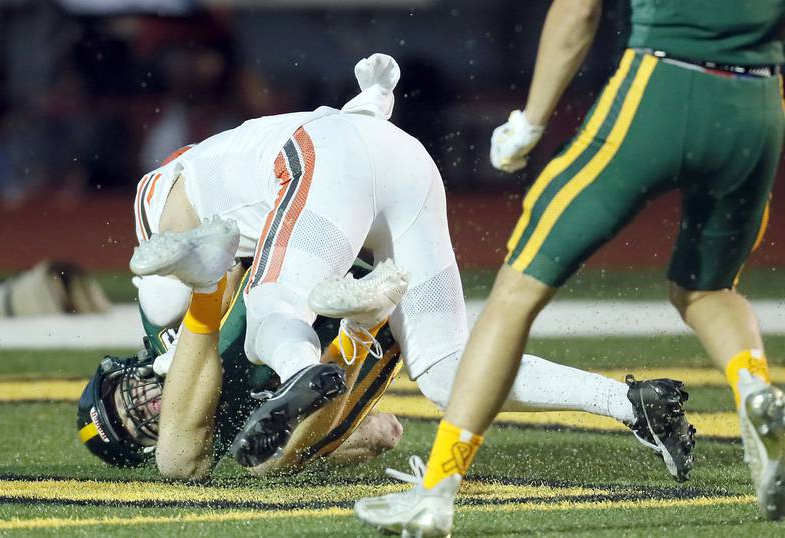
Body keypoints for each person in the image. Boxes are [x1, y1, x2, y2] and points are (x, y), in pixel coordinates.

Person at [128, 53, 693, 481]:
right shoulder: (218, 159)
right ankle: (627, 403)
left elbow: (178, 271)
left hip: (321, 160)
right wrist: (374, 99)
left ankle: (303, 368)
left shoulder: (157, 202)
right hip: (401, 161)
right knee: (448, 369)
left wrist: (173, 349)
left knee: (273, 301)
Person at [353, 1, 785, 534]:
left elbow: (579, 11)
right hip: (757, 103)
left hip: (663, 85)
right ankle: (754, 389)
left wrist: (530, 122)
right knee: (710, 289)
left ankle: (437, 492)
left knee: (515, 293)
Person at [76, 259, 405, 476]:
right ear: (150, 448)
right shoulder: (220, 440)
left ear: (125, 373)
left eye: (124, 402)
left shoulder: (164, 326)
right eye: (135, 427)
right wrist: (312, 453)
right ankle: (363, 325)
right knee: (266, 461)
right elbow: (385, 432)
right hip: (361, 323)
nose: (144, 409)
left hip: (300, 270)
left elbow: (230, 261)